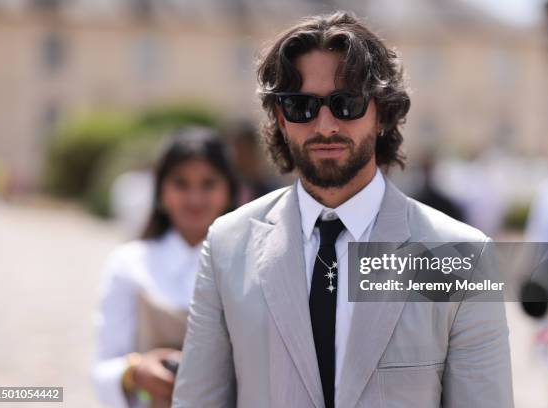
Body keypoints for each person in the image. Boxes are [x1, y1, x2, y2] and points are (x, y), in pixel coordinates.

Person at [173, 12, 513, 408]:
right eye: (302, 106)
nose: (325, 125)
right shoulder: (228, 245)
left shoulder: (458, 256)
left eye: (346, 103)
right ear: (281, 118)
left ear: (383, 112)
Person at [92, 127, 237, 408]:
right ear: (160, 192)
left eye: (208, 184)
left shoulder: (251, 261)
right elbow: (103, 366)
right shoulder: (129, 264)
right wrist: (134, 371)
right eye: (181, 184)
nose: (195, 198)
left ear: (229, 191)